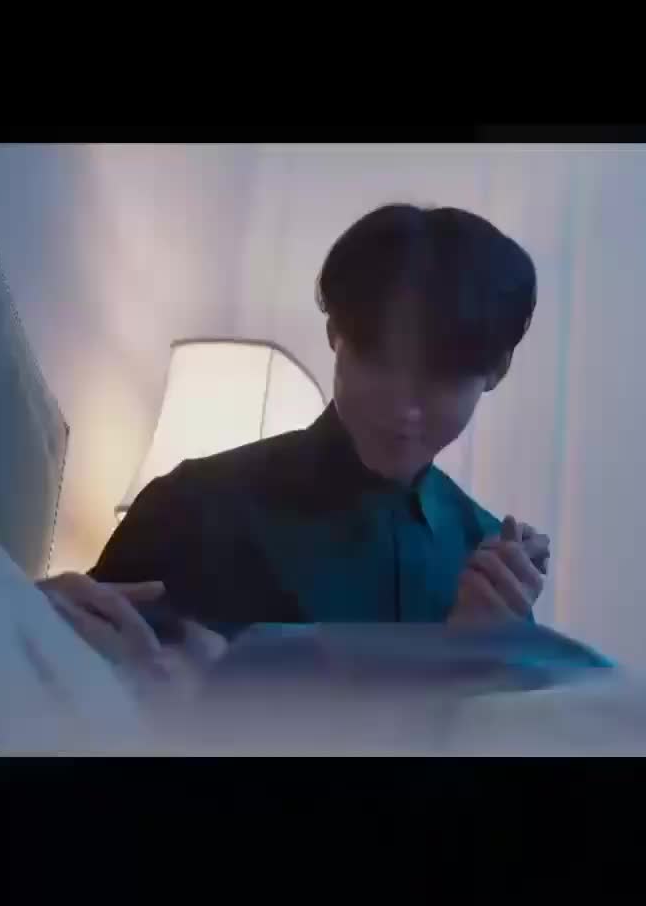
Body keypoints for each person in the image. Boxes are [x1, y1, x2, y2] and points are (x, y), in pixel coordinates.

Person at [85, 204, 550, 638]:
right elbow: (71, 673)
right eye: (377, 362)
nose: (403, 407)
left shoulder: (490, 563)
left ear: (496, 371)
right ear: (334, 333)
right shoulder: (191, 505)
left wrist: (485, 654)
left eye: (442, 376)